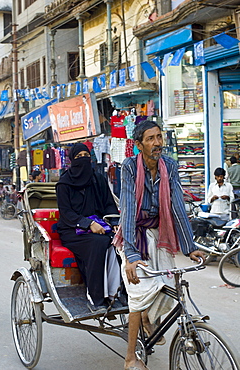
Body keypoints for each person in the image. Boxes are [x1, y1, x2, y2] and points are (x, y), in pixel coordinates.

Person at [113, 120, 204, 370]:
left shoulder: (170, 166)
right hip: (134, 236)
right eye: (151, 138)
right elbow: (129, 210)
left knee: (168, 283)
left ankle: (148, 319)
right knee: (139, 294)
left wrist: (189, 246)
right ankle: (130, 357)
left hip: (159, 233)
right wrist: (130, 255)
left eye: (159, 137)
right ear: (139, 144)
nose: (157, 143)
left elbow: (177, 207)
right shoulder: (130, 167)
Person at [56, 143, 121, 314]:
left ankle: (116, 293)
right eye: (79, 157)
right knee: (98, 243)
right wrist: (87, 224)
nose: (83, 159)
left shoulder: (97, 179)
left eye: (86, 155)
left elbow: (108, 203)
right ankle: (96, 297)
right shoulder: (64, 183)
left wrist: (114, 223)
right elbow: (66, 213)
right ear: (72, 160)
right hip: (72, 230)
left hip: (99, 226)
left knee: (116, 242)